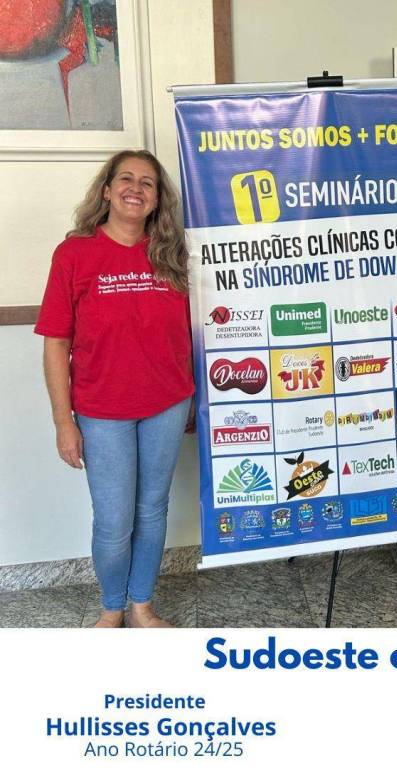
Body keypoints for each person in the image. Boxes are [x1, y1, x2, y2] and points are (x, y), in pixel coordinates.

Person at [35, 150, 194, 629]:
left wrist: (192, 400)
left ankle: (142, 606)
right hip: (102, 410)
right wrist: (63, 422)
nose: (136, 188)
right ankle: (112, 609)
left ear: (157, 199)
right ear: (106, 190)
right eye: (126, 178)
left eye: (148, 183)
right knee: (113, 519)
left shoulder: (173, 255)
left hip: (167, 403)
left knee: (152, 510)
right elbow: (55, 342)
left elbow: (189, 333)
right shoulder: (74, 254)